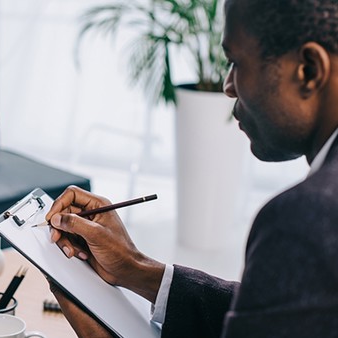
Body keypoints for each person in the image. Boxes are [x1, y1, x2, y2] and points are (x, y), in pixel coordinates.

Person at [45, 0, 338, 337]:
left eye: (236, 63)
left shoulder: (305, 219)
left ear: (309, 70)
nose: (228, 86)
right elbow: (279, 315)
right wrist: (135, 268)